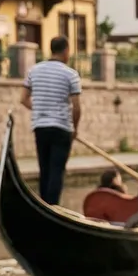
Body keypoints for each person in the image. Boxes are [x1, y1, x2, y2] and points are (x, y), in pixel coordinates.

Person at [20, 36, 81, 206]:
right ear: (66, 51)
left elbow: (23, 99)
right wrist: (75, 129)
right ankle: (52, 207)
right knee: (56, 171)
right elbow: (76, 107)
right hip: (61, 129)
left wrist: (41, 109)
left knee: (44, 170)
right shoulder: (71, 74)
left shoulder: (33, 71)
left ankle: (43, 206)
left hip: (40, 127)